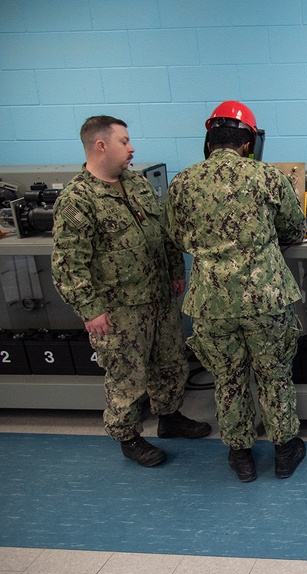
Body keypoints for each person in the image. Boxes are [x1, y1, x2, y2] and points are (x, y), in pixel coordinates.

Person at [51, 115, 211, 467]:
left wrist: (173, 269)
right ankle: (128, 436)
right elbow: (68, 265)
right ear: (101, 146)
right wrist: (89, 309)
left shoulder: (136, 184)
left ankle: (170, 417)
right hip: (119, 308)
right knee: (126, 375)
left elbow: (162, 229)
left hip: (158, 296)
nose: (132, 147)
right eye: (124, 141)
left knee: (170, 362)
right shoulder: (78, 200)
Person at [165, 101, 307, 483]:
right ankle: (283, 451)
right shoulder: (267, 177)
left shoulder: (182, 182)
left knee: (229, 378)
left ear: (208, 142)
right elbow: (294, 230)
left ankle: (241, 455)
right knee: (274, 374)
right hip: (265, 297)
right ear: (249, 143)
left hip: (210, 302)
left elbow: (177, 237)